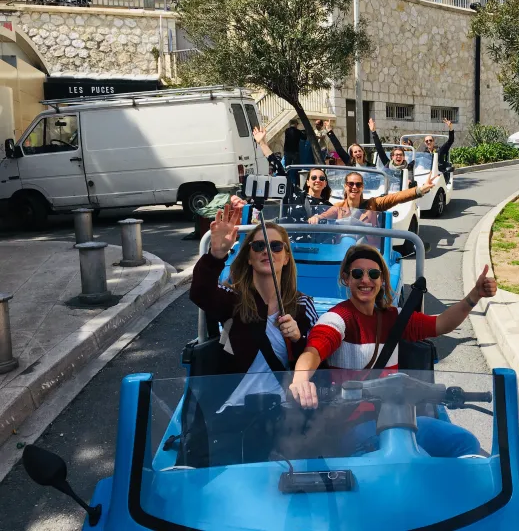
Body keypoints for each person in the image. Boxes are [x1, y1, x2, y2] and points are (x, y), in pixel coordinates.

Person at [289, 244, 498, 457]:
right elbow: (314, 350)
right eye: (358, 274)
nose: (366, 280)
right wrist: (300, 381)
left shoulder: (393, 318)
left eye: (373, 274)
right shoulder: (338, 318)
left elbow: (441, 324)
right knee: (418, 461)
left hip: (400, 416)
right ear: (346, 278)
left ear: (382, 280)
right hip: (353, 424)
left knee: (465, 443)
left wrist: (474, 296)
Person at [190, 205, 318, 406]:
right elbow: (200, 293)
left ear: (286, 257)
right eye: (258, 246)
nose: (267, 251)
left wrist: (297, 338)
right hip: (234, 408)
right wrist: (216, 254)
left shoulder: (303, 305)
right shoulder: (233, 299)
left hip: (286, 410)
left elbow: (318, 357)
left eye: (276, 246)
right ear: (249, 258)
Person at [308, 170, 436, 227]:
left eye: (358, 184)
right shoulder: (338, 207)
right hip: (344, 251)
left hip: (368, 251)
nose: (354, 187)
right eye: (350, 184)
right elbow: (325, 215)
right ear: (345, 186)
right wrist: (317, 218)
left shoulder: (373, 204)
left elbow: (396, 197)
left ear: (362, 187)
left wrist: (420, 190)